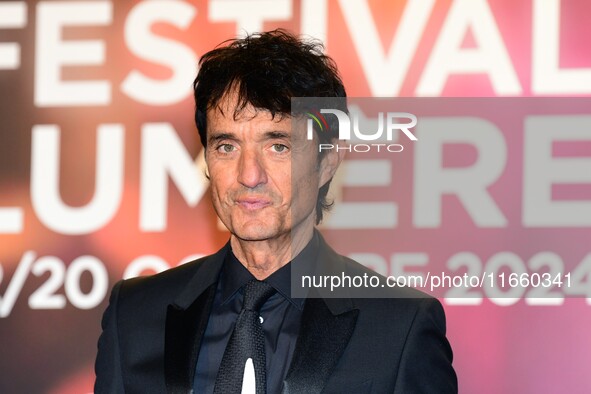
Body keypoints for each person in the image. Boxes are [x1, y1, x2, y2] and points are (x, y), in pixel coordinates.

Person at [95, 29, 457, 394]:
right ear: (206, 158)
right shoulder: (135, 315)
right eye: (226, 147)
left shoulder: (399, 326)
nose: (249, 175)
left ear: (327, 162)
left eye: (278, 146)